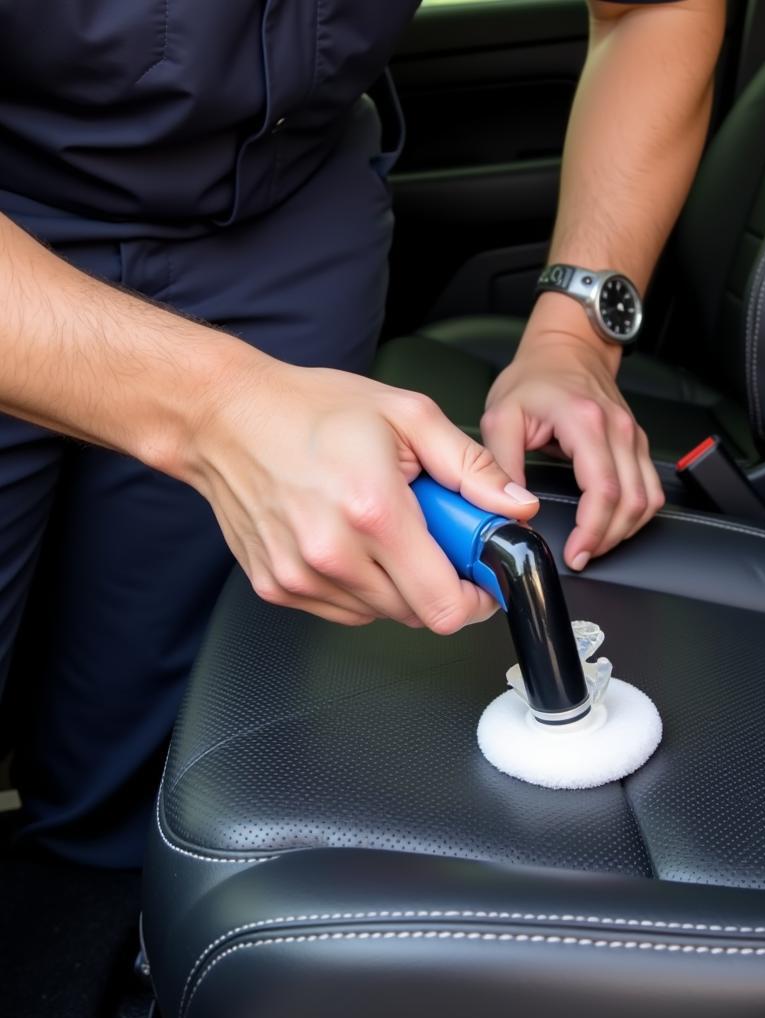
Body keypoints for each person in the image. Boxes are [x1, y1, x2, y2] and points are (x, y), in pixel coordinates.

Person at [0, 0, 725, 867]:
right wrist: (215, 407)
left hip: (282, 223)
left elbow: (654, 7)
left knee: (157, 738)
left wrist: (575, 333)